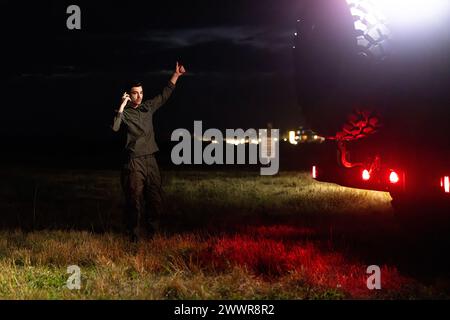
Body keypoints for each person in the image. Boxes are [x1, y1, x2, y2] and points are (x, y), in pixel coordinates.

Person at [112, 62, 186, 241]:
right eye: (135, 93)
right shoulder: (125, 113)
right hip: (134, 162)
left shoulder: (148, 107)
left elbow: (164, 95)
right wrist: (121, 106)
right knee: (134, 201)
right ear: (129, 95)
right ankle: (134, 237)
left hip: (151, 160)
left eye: (141, 93)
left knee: (154, 199)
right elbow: (115, 128)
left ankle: (152, 235)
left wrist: (175, 76)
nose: (139, 96)